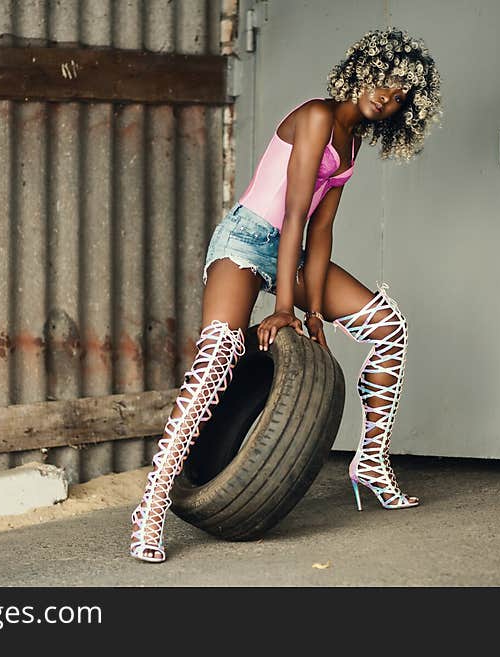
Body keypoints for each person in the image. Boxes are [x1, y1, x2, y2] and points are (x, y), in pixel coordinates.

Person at [130, 27, 443, 562]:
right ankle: (151, 509)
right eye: (384, 85)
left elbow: (321, 231)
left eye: (398, 99)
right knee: (216, 358)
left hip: (294, 251)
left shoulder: (354, 141)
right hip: (248, 239)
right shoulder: (319, 115)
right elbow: (294, 211)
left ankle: (370, 460)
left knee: (388, 327)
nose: (385, 100)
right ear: (363, 70)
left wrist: (315, 311)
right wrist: (281, 311)